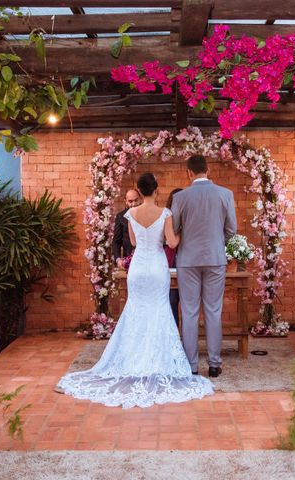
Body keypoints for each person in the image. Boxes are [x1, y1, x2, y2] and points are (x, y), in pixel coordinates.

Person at [56, 173, 213, 408]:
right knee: (159, 309)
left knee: (136, 309)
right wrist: (182, 232)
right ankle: (157, 361)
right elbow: (171, 242)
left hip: (138, 267)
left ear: (139, 191)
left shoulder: (130, 214)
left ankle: (132, 359)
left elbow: (135, 242)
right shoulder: (166, 214)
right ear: (157, 190)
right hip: (158, 267)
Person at [171, 155, 237, 378]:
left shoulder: (180, 197)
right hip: (215, 258)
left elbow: (176, 228)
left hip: (188, 260)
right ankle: (215, 364)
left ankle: (191, 365)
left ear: (189, 173)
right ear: (207, 170)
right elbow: (231, 230)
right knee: (213, 311)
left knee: (189, 312)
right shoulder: (225, 194)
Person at [165, 188, 182, 326]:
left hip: (188, 259)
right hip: (170, 261)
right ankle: (175, 335)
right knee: (172, 299)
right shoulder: (166, 217)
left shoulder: (189, 215)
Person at [113, 189, 141, 266]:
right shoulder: (120, 217)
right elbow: (116, 241)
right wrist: (118, 259)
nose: (134, 204)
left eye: (136, 200)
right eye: (130, 201)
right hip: (129, 259)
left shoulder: (146, 214)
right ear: (126, 201)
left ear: (140, 198)